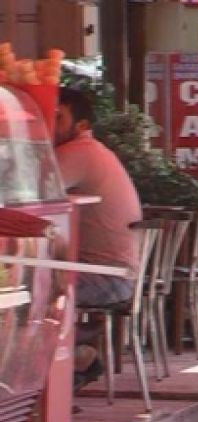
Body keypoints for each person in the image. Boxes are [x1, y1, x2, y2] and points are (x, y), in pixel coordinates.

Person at [54, 87, 143, 389]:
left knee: (32, 291)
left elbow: (28, 192)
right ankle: (77, 359)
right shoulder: (94, 151)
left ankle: (62, 374)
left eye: (58, 118)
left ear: (81, 126)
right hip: (112, 274)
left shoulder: (78, 152)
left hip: (105, 278)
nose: (49, 124)